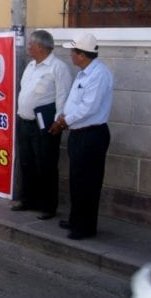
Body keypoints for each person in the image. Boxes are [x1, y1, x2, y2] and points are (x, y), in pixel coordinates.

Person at [50, 32, 114, 240]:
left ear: (82, 54)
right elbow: (73, 102)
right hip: (78, 134)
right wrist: (63, 116)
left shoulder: (99, 74)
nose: (70, 55)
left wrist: (63, 122)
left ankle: (85, 227)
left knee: (88, 182)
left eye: (73, 51)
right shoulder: (83, 72)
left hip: (92, 135)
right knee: (77, 180)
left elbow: (89, 107)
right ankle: (76, 219)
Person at [12, 30, 72, 220]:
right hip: (25, 122)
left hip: (45, 125)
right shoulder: (31, 65)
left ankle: (48, 206)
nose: (28, 47)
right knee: (27, 162)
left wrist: (58, 121)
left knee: (45, 165)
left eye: (31, 44)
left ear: (40, 46)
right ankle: (29, 199)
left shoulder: (58, 67)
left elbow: (63, 96)